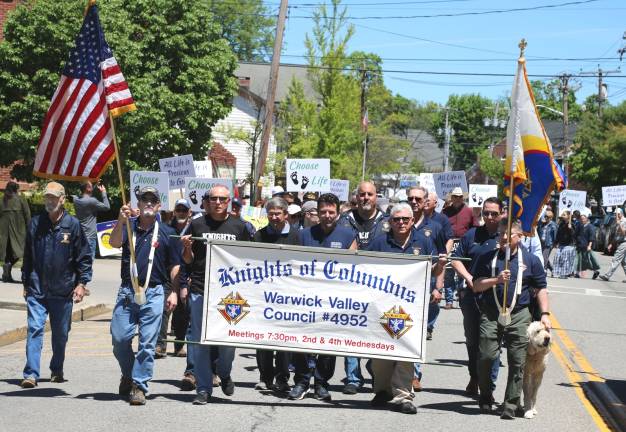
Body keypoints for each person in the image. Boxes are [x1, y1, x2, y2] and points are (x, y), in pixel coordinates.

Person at [367, 202, 446, 414]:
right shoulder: (378, 243)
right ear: (389, 222)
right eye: (396, 219)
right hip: (383, 306)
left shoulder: (425, 242)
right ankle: (382, 390)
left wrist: (438, 284)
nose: (401, 223)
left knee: (406, 351)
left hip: (412, 306)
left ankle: (403, 395)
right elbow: (365, 270)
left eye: (405, 219)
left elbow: (435, 269)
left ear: (412, 221)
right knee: (380, 354)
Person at [109, 186, 181, 405]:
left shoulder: (168, 232)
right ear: (138, 204)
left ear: (159, 206)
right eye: (144, 199)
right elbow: (112, 242)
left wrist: (175, 292)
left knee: (147, 343)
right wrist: (121, 220)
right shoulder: (128, 226)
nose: (148, 203)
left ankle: (139, 386)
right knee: (120, 339)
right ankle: (129, 373)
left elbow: (175, 265)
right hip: (128, 291)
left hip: (155, 292)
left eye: (153, 200)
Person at [472, 219, 551, 419]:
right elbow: (477, 285)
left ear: (520, 237)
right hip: (492, 311)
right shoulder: (488, 258)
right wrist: (496, 280)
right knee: (486, 355)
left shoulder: (531, 260)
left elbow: (541, 287)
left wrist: (544, 313)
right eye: (500, 235)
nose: (503, 239)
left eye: (508, 236)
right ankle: (486, 395)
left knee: (518, 359)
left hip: (519, 313)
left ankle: (511, 403)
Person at [181, 185, 250, 405]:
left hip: (231, 295)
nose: (217, 202)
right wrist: (186, 249)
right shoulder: (197, 224)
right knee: (200, 342)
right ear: (207, 201)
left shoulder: (240, 226)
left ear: (229, 201)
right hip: (201, 289)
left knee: (228, 342)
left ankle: (224, 372)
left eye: (222, 199)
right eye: (213, 199)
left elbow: (250, 259)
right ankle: (203, 388)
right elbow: (189, 260)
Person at [20, 181, 92, 388]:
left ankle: (56, 369)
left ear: (62, 200)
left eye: (53, 197)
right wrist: (26, 282)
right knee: (34, 328)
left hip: (63, 290)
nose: (49, 201)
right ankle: (31, 374)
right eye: (47, 197)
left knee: (60, 334)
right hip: (37, 288)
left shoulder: (73, 225)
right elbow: (28, 255)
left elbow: (84, 257)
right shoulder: (35, 223)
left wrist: (81, 283)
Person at [289, 193, 357, 402]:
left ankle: (321, 383)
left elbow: (355, 268)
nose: (327, 215)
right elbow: (294, 265)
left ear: (338, 213)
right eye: (323, 212)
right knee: (302, 341)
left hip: (334, 300)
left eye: (331, 212)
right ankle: (301, 381)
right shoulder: (303, 235)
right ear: (317, 213)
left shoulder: (348, 236)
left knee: (328, 343)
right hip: (306, 299)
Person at [336, 181, 387, 394]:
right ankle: (353, 378)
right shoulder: (344, 221)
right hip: (352, 287)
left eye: (370, 194)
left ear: (376, 196)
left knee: (378, 331)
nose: (366, 198)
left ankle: (376, 370)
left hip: (379, 287)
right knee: (352, 330)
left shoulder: (387, 221)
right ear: (356, 197)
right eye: (362, 194)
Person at [450, 197, 503, 398]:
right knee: (473, 340)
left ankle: (489, 384)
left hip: (497, 298)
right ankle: (475, 377)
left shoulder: (505, 236)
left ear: (502, 213)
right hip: (471, 296)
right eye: (486, 213)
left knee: (491, 342)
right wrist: (470, 279)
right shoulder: (472, 234)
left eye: (494, 213)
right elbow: (455, 260)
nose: (489, 217)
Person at [253, 197, 300, 393]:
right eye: (270, 213)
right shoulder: (259, 235)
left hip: (289, 295)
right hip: (265, 294)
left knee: (283, 339)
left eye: (277, 213)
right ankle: (265, 377)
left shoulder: (298, 236)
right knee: (263, 339)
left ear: (285, 214)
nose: (274, 217)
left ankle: (282, 378)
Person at [406, 186, 445, 391]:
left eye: (418, 199)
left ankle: (414, 373)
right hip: (398, 287)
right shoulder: (396, 221)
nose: (414, 201)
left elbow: (441, 260)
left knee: (418, 331)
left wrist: (438, 287)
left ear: (425, 201)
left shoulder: (435, 227)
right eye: (410, 198)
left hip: (424, 287)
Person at [156, 198, 192, 359]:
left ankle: (179, 346)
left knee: (182, 314)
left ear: (189, 212)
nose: (181, 213)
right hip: (168, 276)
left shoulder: (194, 230)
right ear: (174, 212)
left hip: (186, 278)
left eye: (184, 210)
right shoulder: (166, 230)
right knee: (164, 311)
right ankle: (160, 345)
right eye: (179, 209)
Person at [442, 187, 478, 309]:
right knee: (448, 272)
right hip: (449, 242)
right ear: (451, 198)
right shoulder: (445, 211)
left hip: (464, 243)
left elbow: (475, 227)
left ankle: (461, 296)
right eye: (455, 196)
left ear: (463, 198)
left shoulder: (470, 211)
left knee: (462, 271)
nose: (457, 199)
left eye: (460, 197)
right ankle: (449, 299)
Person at [71, 181, 110, 260]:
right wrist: (103, 192)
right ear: (88, 188)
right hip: (89, 237)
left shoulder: (76, 200)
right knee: (88, 264)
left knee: (79, 262)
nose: (92, 186)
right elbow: (107, 207)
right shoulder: (92, 201)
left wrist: (93, 186)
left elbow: (84, 195)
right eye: (91, 185)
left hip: (79, 236)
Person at [1, 181, 30, 282]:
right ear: (16, 190)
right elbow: (27, 216)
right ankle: (8, 266)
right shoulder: (21, 200)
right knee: (21, 251)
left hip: (4, 233)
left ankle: (6, 274)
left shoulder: (2, 200)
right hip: (18, 231)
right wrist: (30, 228)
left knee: (8, 252)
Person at [599, 213, 626, 282]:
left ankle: (607, 276)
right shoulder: (616, 222)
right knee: (624, 262)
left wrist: (619, 224)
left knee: (616, 259)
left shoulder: (624, 221)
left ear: (621, 214)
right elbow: (617, 235)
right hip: (619, 242)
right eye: (616, 214)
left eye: (618, 214)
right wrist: (611, 244)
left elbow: (624, 233)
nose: (616, 215)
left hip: (624, 243)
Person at [575, 214, 600, 279]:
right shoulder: (579, 226)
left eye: (583, 218)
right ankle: (577, 273)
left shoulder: (590, 227)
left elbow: (592, 237)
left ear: (586, 219)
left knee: (588, 260)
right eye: (581, 219)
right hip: (580, 245)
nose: (582, 220)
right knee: (578, 260)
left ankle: (595, 271)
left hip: (586, 246)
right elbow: (575, 234)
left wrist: (589, 246)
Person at [553, 211, 577, 279]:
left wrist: (571, 229)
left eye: (564, 215)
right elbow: (558, 233)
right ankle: (556, 272)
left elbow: (574, 235)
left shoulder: (572, 224)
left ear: (568, 216)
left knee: (565, 259)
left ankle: (564, 273)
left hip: (569, 245)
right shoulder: (561, 224)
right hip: (561, 244)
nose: (562, 216)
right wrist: (556, 242)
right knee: (557, 258)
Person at [537, 210, 557, 276]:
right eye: (545, 216)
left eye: (547, 217)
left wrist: (555, 244)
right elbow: (538, 228)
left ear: (551, 218)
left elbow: (555, 235)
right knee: (542, 257)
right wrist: (541, 223)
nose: (545, 218)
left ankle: (544, 270)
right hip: (541, 242)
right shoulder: (542, 223)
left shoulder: (553, 225)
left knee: (544, 257)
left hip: (548, 243)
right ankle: (552, 269)